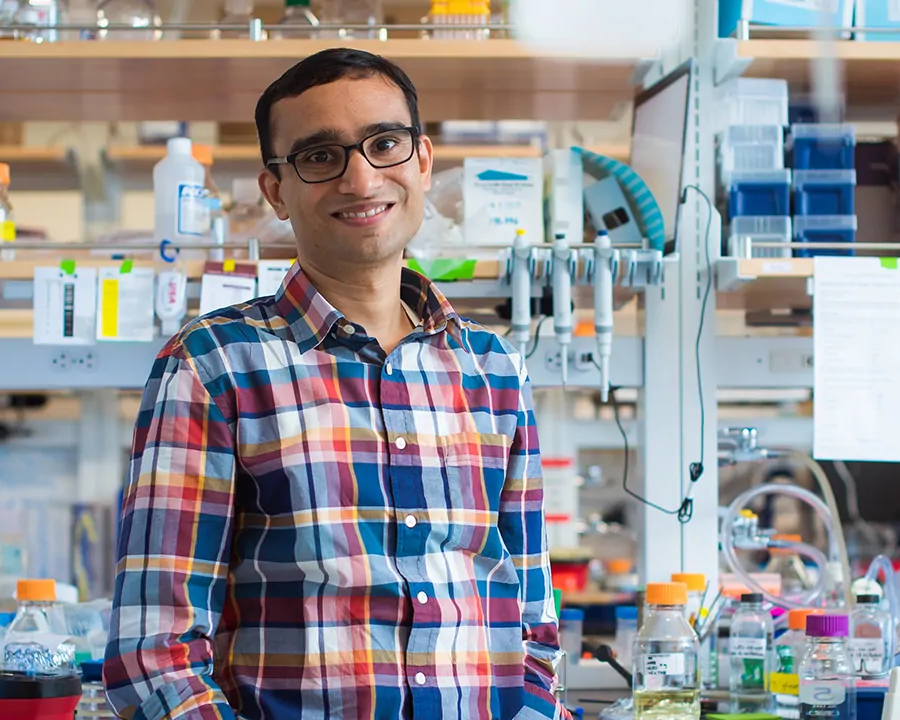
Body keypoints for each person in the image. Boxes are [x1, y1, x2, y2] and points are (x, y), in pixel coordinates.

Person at [104, 48, 565, 720]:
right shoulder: (213, 365)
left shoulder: (493, 369)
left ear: (423, 161)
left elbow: (531, 624)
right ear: (275, 191)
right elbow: (155, 652)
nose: (360, 177)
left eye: (385, 144)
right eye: (321, 157)